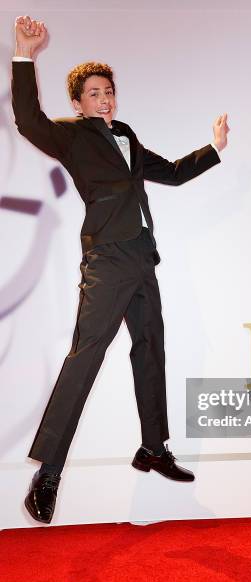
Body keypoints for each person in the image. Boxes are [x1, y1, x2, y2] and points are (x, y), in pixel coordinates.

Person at [12, 15, 229, 524]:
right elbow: (26, 119)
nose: (104, 98)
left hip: (142, 257)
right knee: (86, 356)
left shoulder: (127, 136)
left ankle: (153, 448)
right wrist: (25, 57)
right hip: (107, 259)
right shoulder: (73, 137)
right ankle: (47, 473)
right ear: (78, 103)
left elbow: (171, 174)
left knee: (151, 349)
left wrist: (214, 149)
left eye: (108, 90)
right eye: (93, 92)